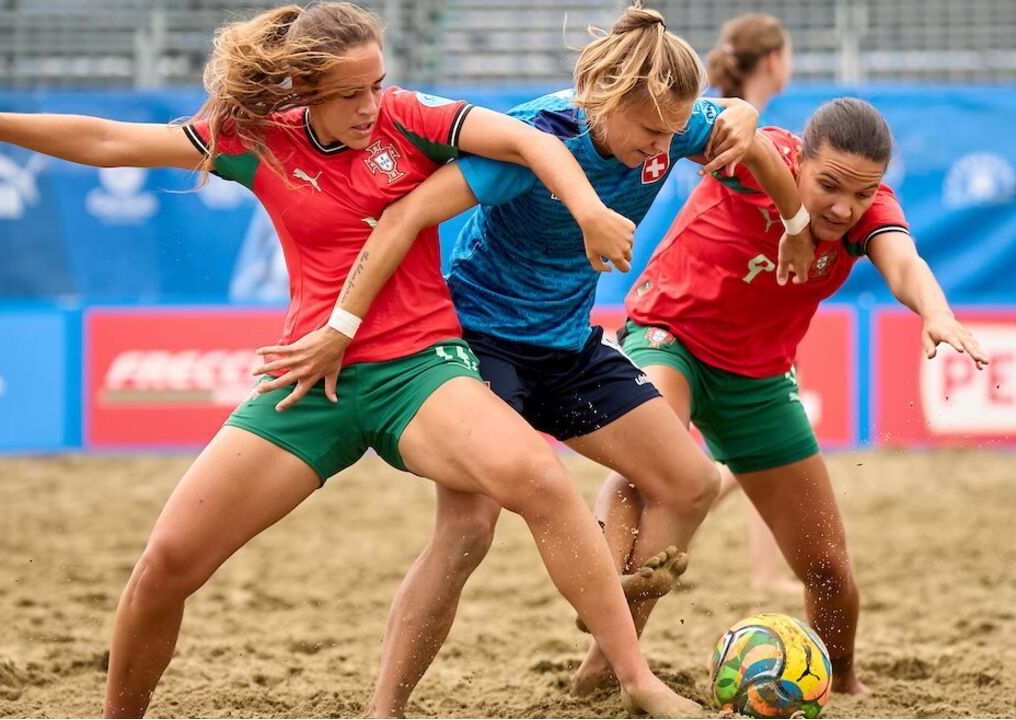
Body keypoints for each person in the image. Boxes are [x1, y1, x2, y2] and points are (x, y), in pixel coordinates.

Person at [0, 3, 701, 718]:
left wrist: (590, 208)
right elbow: (106, 140)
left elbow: (532, 142)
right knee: (165, 567)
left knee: (540, 481)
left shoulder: (411, 117)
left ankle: (632, 678)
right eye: (350, 94)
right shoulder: (254, 140)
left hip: (423, 367)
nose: (372, 105)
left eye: (377, 83)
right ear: (302, 92)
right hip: (311, 375)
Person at [258, 4, 816, 714]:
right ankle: (386, 706)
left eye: (674, 135)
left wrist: (795, 224)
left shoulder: (671, 122)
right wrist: (344, 324)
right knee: (466, 532)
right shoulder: (533, 139)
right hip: (482, 345)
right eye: (649, 132)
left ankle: (603, 666)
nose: (662, 148)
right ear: (607, 101)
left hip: (567, 344)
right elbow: (404, 217)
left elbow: (755, 147)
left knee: (691, 482)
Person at [611, 97, 989, 695]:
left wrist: (936, 313)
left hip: (759, 382)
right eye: (830, 186)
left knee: (827, 569)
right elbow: (726, 126)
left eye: (863, 194)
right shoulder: (764, 159)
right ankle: (606, 636)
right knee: (652, 459)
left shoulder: (870, 212)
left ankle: (841, 683)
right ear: (802, 160)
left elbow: (905, 265)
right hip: (669, 338)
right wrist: (737, 111)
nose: (844, 208)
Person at [706, 13, 802, 594]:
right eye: (789, 53)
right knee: (756, 450)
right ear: (772, 61)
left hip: (755, 294)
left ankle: (767, 572)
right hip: (742, 298)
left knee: (761, 450)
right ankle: (669, 527)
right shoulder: (734, 126)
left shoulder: (731, 122)